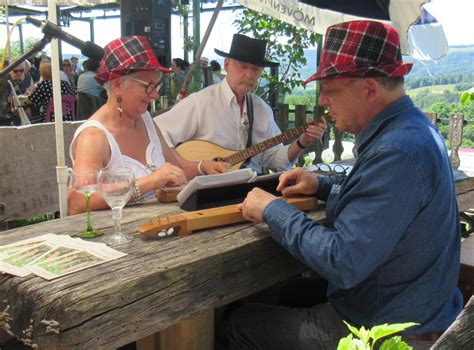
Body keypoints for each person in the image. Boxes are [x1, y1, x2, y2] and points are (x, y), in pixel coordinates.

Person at [234, 20, 463, 349]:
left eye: (331, 89)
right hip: (406, 305)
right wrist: (322, 186)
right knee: (270, 292)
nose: (323, 100)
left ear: (369, 88)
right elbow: (382, 209)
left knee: (242, 322)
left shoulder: (397, 150)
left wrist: (273, 210)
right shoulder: (412, 130)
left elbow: (342, 263)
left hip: (387, 332)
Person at [68, 36, 229, 215]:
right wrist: (149, 183)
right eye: (148, 86)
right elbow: (79, 201)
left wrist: (202, 167)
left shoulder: (145, 120)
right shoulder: (94, 137)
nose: (154, 96)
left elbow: (178, 167)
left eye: (157, 87)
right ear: (118, 85)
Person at [155, 34, 326, 174]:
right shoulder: (201, 102)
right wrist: (188, 165)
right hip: (206, 191)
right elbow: (157, 131)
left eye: (255, 69)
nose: (249, 74)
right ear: (227, 64)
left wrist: (302, 142)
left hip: (247, 191)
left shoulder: (261, 110)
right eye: (243, 66)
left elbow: (274, 160)